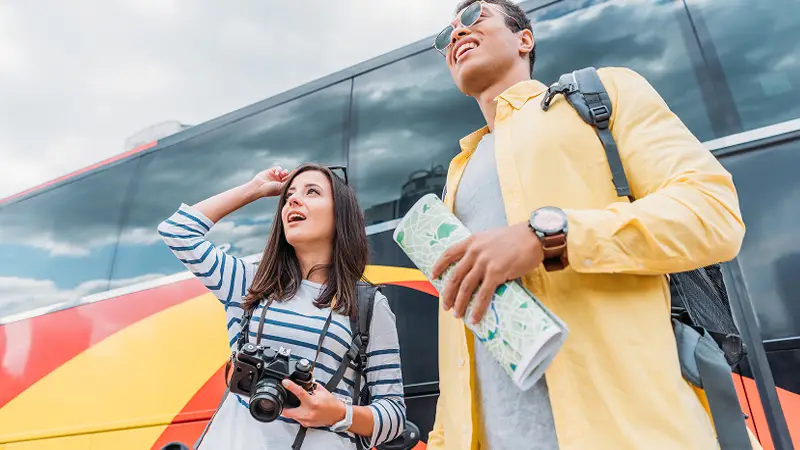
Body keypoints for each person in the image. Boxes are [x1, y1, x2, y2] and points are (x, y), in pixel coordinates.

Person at [425, 1, 757, 449]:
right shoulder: (456, 177)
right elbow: (458, 353)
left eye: (472, 17)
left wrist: (550, 237)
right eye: (445, 36)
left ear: (525, 39)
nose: (456, 34)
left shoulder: (603, 93)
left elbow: (712, 212)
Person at [157, 163, 406, 449]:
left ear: (341, 214)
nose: (294, 200)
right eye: (289, 196)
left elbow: (394, 415)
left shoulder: (368, 306)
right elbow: (177, 231)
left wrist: (339, 413)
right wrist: (255, 189)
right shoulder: (250, 284)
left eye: (312, 192)